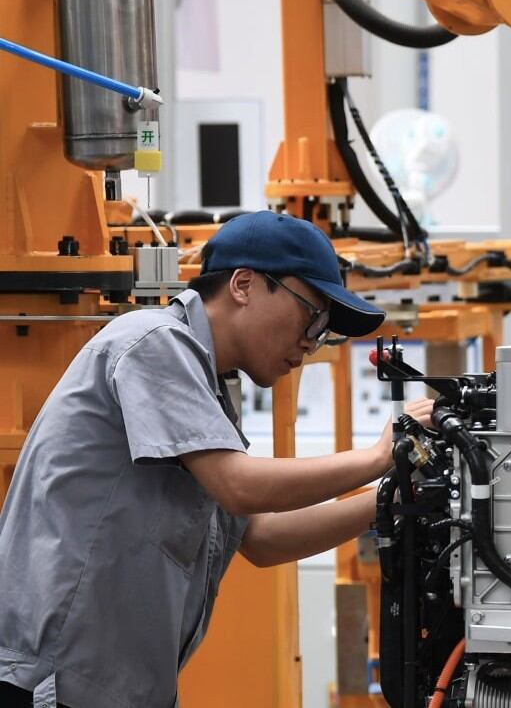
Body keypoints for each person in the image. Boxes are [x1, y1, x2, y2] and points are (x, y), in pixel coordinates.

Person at [0, 212, 433, 708]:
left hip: (120, 689)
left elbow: (262, 537)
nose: (311, 345)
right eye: (312, 317)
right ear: (244, 285)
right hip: (51, 686)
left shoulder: (206, 391)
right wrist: (383, 454)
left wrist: (396, 497)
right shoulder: (152, 341)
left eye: (324, 331)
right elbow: (240, 486)